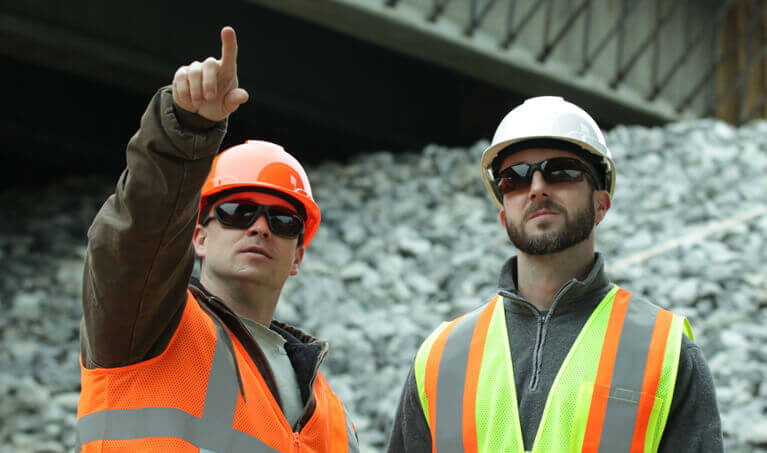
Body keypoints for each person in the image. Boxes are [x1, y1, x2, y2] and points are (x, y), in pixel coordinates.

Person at [76, 26, 359, 452]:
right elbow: (137, 239)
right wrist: (185, 133)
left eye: (283, 220)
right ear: (199, 236)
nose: (260, 227)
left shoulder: (330, 411)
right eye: (236, 212)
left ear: (298, 254)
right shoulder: (144, 322)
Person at [387, 96, 723, 452]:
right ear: (504, 217)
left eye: (561, 170)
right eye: (513, 179)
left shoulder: (665, 351)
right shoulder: (440, 357)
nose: (536, 187)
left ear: (600, 205)